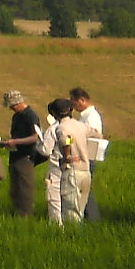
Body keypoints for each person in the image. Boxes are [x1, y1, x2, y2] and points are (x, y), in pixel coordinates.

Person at [1, 90, 42, 217]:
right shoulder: (16, 116)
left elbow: (36, 137)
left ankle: (25, 215)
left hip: (26, 156)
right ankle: (17, 212)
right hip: (14, 156)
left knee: (25, 188)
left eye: (12, 106)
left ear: (18, 103)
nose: (11, 108)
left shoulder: (30, 116)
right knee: (15, 189)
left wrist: (16, 142)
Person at [54, 97, 94, 225]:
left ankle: (73, 238)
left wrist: (67, 156)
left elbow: (66, 140)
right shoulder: (81, 126)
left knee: (71, 211)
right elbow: (97, 135)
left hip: (72, 171)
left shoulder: (62, 127)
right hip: (86, 171)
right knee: (80, 210)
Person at [69, 87, 103, 222]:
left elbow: (92, 136)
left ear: (82, 100)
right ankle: (87, 217)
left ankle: (93, 218)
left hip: (87, 157)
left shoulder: (91, 117)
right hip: (82, 156)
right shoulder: (85, 117)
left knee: (85, 191)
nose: (72, 105)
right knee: (82, 190)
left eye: (73, 102)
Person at [38, 99, 65, 224]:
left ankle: (57, 227)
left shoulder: (53, 129)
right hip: (73, 166)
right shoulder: (75, 125)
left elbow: (45, 150)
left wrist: (39, 142)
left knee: (54, 200)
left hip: (56, 168)